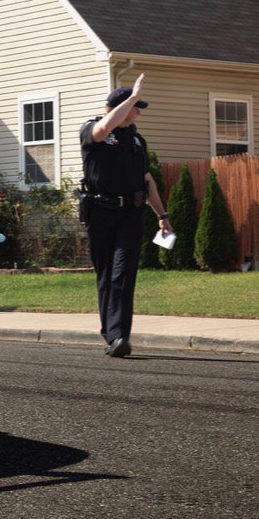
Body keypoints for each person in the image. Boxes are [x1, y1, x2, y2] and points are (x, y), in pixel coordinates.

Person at [80, 75, 172, 358]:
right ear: (120, 106)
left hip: (131, 213)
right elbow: (105, 126)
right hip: (101, 213)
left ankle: (119, 336)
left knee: (123, 273)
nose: (138, 112)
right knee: (107, 275)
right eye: (135, 106)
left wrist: (162, 214)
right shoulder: (93, 130)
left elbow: (147, 180)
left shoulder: (136, 139)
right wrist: (131, 97)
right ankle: (111, 335)